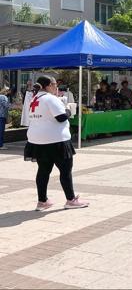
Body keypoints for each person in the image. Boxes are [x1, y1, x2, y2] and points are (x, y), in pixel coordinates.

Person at [24, 75, 88, 211]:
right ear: (48, 86)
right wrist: (69, 110)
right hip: (56, 140)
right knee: (65, 171)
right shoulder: (51, 98)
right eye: (54, 84)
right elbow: (61, 118)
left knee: (43, 170)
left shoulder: (35, 98)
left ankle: (42, 201)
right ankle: (71, 200)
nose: (56, 87)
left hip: (37, 140)